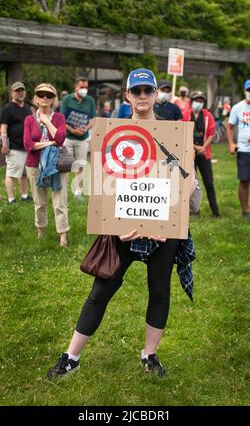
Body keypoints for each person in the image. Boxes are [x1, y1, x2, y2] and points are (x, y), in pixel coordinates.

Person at [47, 68, 196, 380]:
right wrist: (114, 225)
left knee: (159, 291)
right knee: (101, 290)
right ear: (127, 95)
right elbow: (101, 185)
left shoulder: (175, 135)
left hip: (163, 229)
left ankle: (150, 355)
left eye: (148, 91)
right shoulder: (111, 133)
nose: (142, 97)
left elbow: (186, 183)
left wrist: (164, 223)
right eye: (136, 91)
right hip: (121, 229)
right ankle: (71, 356)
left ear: (156, 94)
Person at [23, 83, 69, 246]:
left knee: (60, 201)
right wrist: (51, 143)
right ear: (36, 97)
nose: (44, 98)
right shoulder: (29, 119)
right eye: (41, 94)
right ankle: (40, 231)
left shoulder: (59, 118)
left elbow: (61, 139)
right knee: (39, 202)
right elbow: (28, 145)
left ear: (53, 99)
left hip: (56, 164)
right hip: (34, 164)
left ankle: (63, 234)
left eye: (49, 95)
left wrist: (47, 122)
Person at [182, 91, 221, 218]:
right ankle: (194, 211)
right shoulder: (186, 114)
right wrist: (194, 147)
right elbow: (182, 133)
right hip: (190, 152)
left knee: (208, 182)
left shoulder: (208, 115)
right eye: (196, 100)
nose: (198, 103)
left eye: (201, 101)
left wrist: (203, 147)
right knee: (192, 183)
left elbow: (211, 133)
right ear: (191, 101)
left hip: (204, 153)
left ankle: (215, 212)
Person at [61, 77, 96, 197]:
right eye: (82, 87)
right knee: (65, 165)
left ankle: (78, 191)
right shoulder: (67, 100)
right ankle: (62, 190)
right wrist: (73, 130)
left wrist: (85, 129)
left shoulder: (90, 101)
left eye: (86, 87)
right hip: (69, 138)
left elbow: (93, 119)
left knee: (80, 165)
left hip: (83, 138)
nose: (84, 89)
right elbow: (61, 120)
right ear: (76, 87)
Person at [0, 81, 32, 204]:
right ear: (12, 93)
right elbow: (3, 127)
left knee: (24, 173)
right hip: (14, 147)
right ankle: (11, 199)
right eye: (17, 91)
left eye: (22, 90)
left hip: (27, 147)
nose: (20, 93)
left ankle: (24, 195)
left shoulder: (27, 108)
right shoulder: (8, 108)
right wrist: (4, 144)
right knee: (11, 173)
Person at [226, 79, 250, 219]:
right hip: (244, 150)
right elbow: (229, 126)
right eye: (249, 90)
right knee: (244, 180)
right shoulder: (237, 107)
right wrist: (231, 143)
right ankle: (245, 211)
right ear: (244, 91)